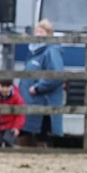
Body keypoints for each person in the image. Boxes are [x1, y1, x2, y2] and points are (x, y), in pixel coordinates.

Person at [19, 18, 66, 148]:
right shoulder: (33, 51)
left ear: (49, 34)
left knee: (42, 133)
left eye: (42, 32)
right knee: (24, 131)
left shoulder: (51, 51)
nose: (38, 35)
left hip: (43, 100)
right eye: (37, 32)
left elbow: (57, 75)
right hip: (30, 102)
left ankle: (43, 157)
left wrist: (39, 87)